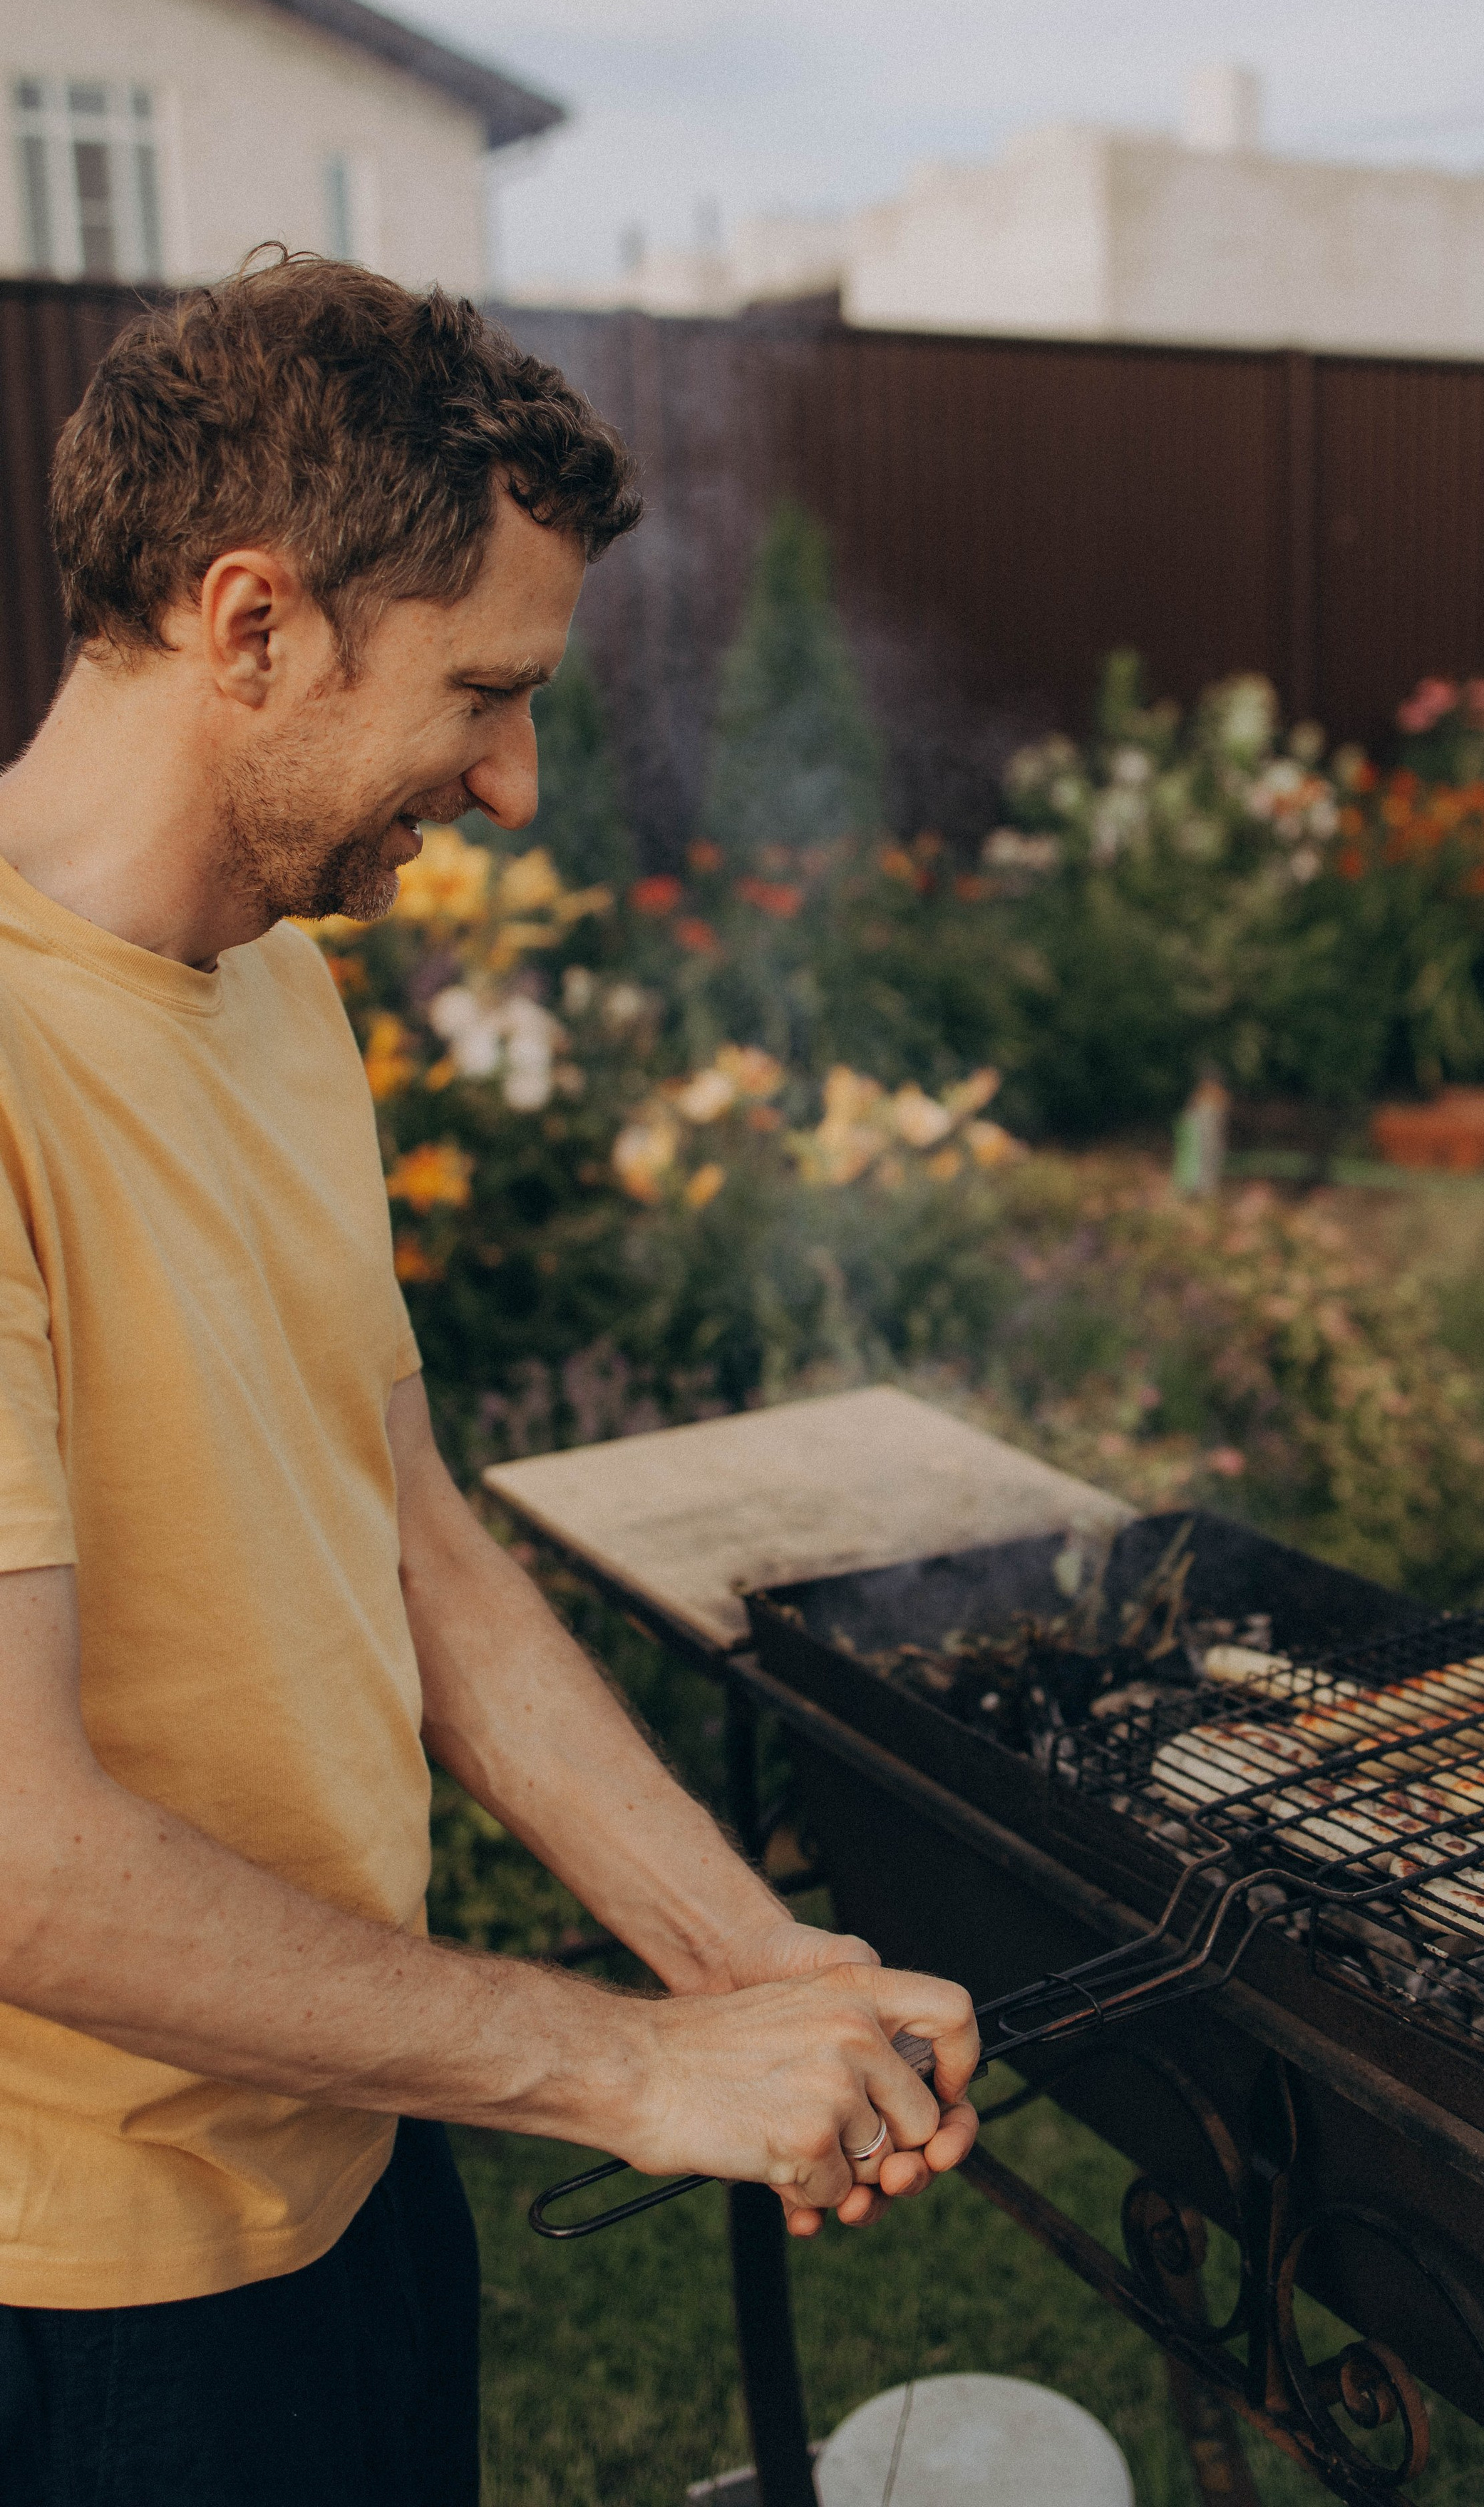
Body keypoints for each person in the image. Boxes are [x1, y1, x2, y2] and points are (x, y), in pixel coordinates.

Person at [0, 257, 979, 2507]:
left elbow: (416, 1538)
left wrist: (742, 1962)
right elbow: (23, 1856)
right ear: (251, 627)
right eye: (486, 693)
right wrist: (625, 2075)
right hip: (80, 2302)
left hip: (350, 2168)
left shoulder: (268, 983)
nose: (520, 784)